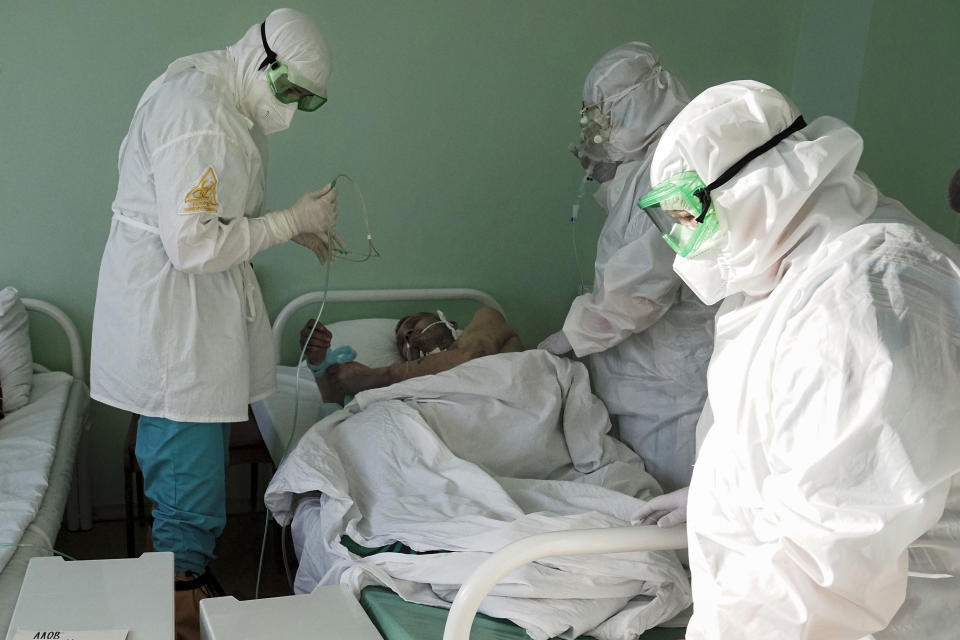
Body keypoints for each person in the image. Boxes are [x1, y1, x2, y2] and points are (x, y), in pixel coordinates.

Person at [636, 79, 960, 639]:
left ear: (757, 184)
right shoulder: (794, 271)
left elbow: (826, 572)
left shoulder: (861, 301)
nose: (685, 243)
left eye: (690, 215)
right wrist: (722, 489)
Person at [89, 9, 339, 638]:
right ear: (260, 59)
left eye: (305, 103)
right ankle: (180, 596)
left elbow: (216, 219)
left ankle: (185, 577)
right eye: (287, 90)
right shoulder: (200, 113)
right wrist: (288, 223)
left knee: (188, 464)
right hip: (178, 324)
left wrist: (288, 230)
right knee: (186, 470)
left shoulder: (211, 94)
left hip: (184, 319)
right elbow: (194, 244)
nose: (288, 109)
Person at [538, 43, 717, 493]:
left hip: (672, 387)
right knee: (637, 495)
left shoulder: (683, 171)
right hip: (639, 375)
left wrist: (571, 337)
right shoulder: (650, 165)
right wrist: (607, 176)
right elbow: (636, 223)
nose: (598, 129)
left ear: (642, 100)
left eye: (605, 115)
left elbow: (647, 285)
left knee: (673, 503)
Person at [300, 307, 523, 403]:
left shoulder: (487, 318)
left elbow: (476, 356)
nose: (406, 334)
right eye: (400, 342)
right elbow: (337, 406)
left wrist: (382, 377)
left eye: (414, 323)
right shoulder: (406, 384)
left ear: (449, 323)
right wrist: (318, 362)